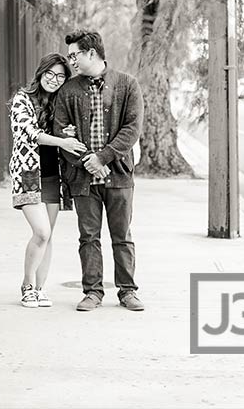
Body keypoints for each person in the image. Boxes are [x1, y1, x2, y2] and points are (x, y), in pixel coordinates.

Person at [53, 30, 145, 312]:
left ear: (91, 53)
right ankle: (92, 291)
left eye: (74, 55)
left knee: (122, 234)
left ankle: (127, 291)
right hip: (82, 177)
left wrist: (103, 158)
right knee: (88, 236)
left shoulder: (127, 84)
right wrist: (86, 162)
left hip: (118, 173)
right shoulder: (68, 90)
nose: (71, 61)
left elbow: (132, 129)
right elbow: (60, 130)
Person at [9, 53, 88, 308]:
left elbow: (70, 129)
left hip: (53, 175)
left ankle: (40, 288)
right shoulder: (22, 99)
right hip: (28, 175)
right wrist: (62, 141)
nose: (54, 80)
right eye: (50, 74)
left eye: (60, 76)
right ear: (41, 73)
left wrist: (69, 133)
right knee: (41, 232)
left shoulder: (60, 102)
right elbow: (30, 133)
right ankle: (27, 285)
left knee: (49, 235)